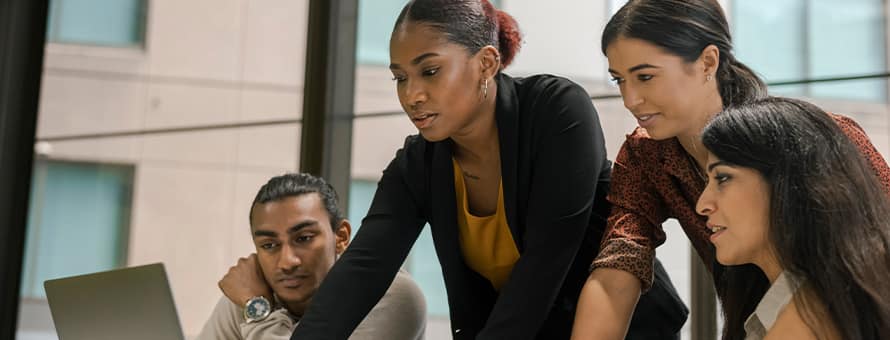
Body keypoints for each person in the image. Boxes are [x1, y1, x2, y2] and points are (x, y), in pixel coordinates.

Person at [290, 0, 686, 339]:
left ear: (486, 63)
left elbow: (543, 267)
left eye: (429, 71)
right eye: (400, 77)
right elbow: (361, 271)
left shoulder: (558, 113)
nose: (412, 95)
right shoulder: (417, 166)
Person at [572, 0, 890, 339]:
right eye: (619, 80)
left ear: (708, 61)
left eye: (645, 76)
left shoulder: (816, 138)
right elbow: (621, 261)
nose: (630, 99)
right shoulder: (645, 154)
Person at [696, 97, 890, 339]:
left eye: (722, 178)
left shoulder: (809, 316)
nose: (702, 204)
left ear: (789, 181)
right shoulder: (809, 298)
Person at [195, 173, 426, 340]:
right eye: (269, 245)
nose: (287, 262)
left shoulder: (387, 294)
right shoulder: (250, 291)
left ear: (341, 237)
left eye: (304, 238)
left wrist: (258, 313)